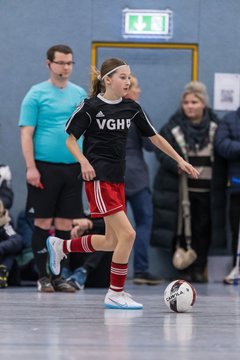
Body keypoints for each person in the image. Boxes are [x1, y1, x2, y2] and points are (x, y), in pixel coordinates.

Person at [46, 58, 199, 310]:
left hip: (118, 179)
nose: (127, 81)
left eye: (130, 77)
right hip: (98, 178)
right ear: (107, 80)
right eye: (122, 77)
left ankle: (61, 245)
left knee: (111, 241)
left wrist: (179, 160)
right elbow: (71, 141)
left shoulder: (132, 108)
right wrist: (83, 162)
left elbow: (155, 138)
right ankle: (115, 292)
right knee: (128, 234)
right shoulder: (90, 106)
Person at [18, 44, 87, 292]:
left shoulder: (79, 94)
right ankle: (43, 277)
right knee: (43, 222)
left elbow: (86, 131)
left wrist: (84, 161)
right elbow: (27, 133)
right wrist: (30, 167)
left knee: (65, 225)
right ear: (49, 64)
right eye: (61, 63)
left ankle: (58, 276)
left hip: (71, 168)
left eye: (69, 63)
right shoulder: (36, 94)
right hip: (44, 168)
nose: (66, 67)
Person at [151, 81, 226, 283]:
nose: (190, 106)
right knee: (181, 229)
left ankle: (199, 268)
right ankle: (182, 269)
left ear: (203, 104)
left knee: (204, 229)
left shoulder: (216, 126)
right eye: (186, 102)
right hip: (180, 190)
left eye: (194, 102)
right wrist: (177, 165)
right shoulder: (172, 127)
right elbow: (160, 151)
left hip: (208, 191)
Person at [124, 75, 161, 285]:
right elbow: (150, 145)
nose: (139, 91)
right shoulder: (137, 111)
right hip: (137, 176)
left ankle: (109, 271)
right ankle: (141, 270)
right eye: (136, 87)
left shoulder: (104, 109)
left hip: (113, 175)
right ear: (127, 88)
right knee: (144, 222)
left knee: (113, 228)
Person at [215, 107, 240, 284]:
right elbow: (221, 144)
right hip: (237, 185)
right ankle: (237, 267)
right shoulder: (230, 120)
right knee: (237, 228)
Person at [0, 164, 23, 288]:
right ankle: (3, 271)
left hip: (2, 221)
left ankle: (2, 272)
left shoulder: (3, 170)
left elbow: (7, 199)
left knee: (16, 241)